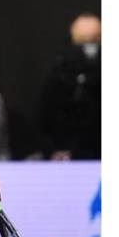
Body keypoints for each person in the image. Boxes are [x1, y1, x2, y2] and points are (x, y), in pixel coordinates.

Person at [39, 12, 101, 160]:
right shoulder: (58, 74)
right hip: (67, 158)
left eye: (94, 40)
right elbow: (45, 117)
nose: (88, 47)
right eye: (82, 41)